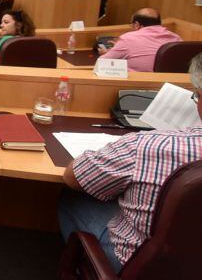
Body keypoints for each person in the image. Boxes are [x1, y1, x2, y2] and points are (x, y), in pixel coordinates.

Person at [58, 53, 202, 271]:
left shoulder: (151, 144)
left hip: (143, 268)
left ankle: (85, 266)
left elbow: (75, 177)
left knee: (72, 197)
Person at [98, 8, 182, 71]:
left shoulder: (128, 39)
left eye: (132, 25)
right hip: (168, 85)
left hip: (138, 85)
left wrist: (107, 53)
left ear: (137, 24)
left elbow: (102, 62)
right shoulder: (176, 38)